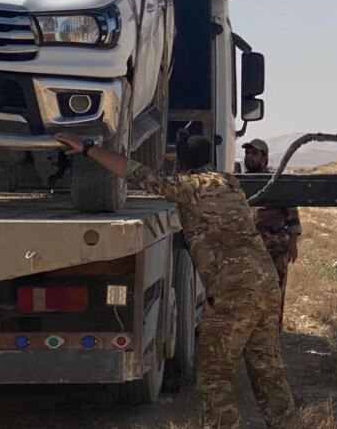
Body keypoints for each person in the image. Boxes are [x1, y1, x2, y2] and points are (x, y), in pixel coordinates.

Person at [53, 132, 298, 429]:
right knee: (268, 373)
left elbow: (134, 172)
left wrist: (89, 148)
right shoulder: (229, 182)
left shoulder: (188, 187)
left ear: (181, 163)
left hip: (234, 293)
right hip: (266, 284)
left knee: (214, 377)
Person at [241, 139, 302, 328]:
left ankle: (274, 331)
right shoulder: (240, 182)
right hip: (249, 251)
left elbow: (291, 212)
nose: (249, 157)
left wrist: (293, 242)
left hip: (275, 250)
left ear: (264, 159)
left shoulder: (275, 182)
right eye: (247, 153)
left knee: (275, 292)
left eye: (254, 153)